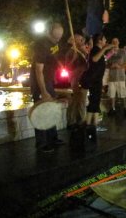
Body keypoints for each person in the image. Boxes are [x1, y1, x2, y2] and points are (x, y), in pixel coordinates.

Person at [30, 22, 65, 153]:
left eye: (59, 37)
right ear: (48, 33)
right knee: (41, 111)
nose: (57, 40)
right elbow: (38, 71)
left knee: (50, 109)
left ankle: (52, 138)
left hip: (48, 81)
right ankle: (41, 143)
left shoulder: (53, 43)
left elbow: (53, 58)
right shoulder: (41, 46)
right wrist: (43, 91)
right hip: (39, 84)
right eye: (55, 37)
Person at [81, 33, 113, 126]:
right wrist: (105, 49)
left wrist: (108, 51)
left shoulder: (99, 50)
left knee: (95, 102)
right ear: (100, 40)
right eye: (104, 39)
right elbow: (94, 59)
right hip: (93, 80)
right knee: (94, 102)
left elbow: (102, 59)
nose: (106, 41)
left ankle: (93, 123)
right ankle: (89, 124)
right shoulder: (95, 49)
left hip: (97, 80)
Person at [65, 34, 91, 129]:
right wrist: (73, 60)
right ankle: (73, 121)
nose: (82, 42)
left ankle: (78, 120)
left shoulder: (80, 52)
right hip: (76, 79)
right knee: (76, 100)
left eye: (82, 40)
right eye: (80, 40)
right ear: (74, 41)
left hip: (82, 78)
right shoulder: (70, 53)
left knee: (80, 100)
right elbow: (68, 67)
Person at [106, 38, 126, 116]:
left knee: (122, 93)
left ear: (119, 42)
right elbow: (105, 62)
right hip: (112, 76)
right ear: (111, 43)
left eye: (116, 41)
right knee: (112, 93)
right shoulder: (109, 52)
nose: (115, 42)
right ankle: (113, 108)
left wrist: (120, 66)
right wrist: (111, 66)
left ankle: (125, 108)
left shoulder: (122, 51)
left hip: (120, 76)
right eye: (113, 41)